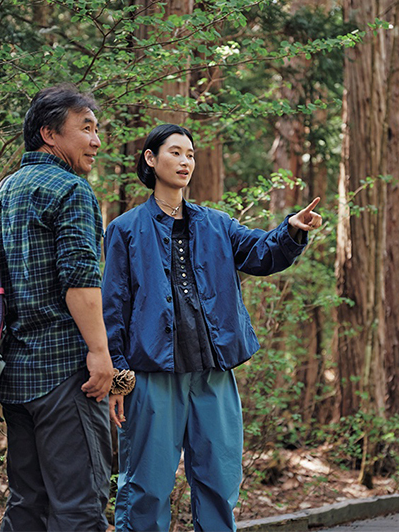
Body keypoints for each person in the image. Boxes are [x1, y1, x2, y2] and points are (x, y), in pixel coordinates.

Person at [102, 123, 322, 531]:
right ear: (151, 159)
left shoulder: (218, 224)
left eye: (190, 154)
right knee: (145, 487)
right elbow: (113, 307)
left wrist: (291, 229)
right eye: (175, 152)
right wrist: (117, 375)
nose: (185, 161)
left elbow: (261, 254)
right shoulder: (125, 229)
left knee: (219, 482)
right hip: (152, 375)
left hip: (214, 374)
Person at [0, 84, 114, 531]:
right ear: (49, 133)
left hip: (14, 375)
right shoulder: (71, 190)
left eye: (97, 129)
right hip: (64, 376)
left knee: (27, 504)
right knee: (79, 506)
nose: (96, 140)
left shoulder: (2, 191)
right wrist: (100, 354)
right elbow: (80, 279)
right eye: (85, 128)